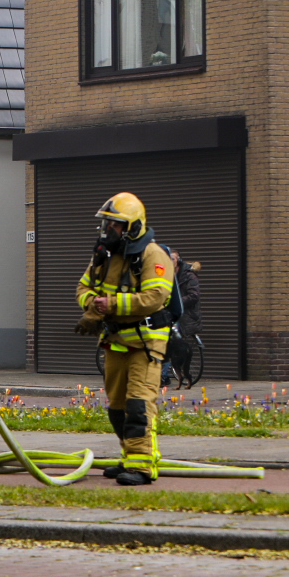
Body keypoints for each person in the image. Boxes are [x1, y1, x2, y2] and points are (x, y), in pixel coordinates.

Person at [77, 193, 172, 485]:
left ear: (132, 226)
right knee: (117, 408)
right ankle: (129, 458)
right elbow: (82, 289)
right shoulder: (105, 255)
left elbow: (156, 297)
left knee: (138, 406)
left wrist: (114, 305)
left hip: (145, 344)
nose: (109, 230)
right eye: (107, 224)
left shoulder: (153, 254)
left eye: (115, 225)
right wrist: (94, 307)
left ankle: (143, 467)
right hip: (115, 342)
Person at [159, 248, 200, 389]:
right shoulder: (164, 274)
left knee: (172, 343)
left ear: (178, 261)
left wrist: (176, 302)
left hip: (184, 314)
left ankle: (164, 376)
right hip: (168, 312)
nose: (170, 261)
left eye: (173, 258)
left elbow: (194, 295)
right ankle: (163, 376)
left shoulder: (189, 276)